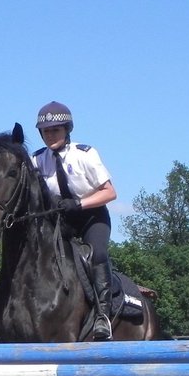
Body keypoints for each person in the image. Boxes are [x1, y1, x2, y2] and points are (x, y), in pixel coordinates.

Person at [32, 101, 118, 340]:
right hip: (60, 220)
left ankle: (103, 315)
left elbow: (110, 193)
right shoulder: (37, 160)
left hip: (91, 216)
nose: (50, 135)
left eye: (55, 130)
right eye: (46, 131)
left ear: (67, 129)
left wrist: (79, 203)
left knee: (97, 254)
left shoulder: (86, 154)